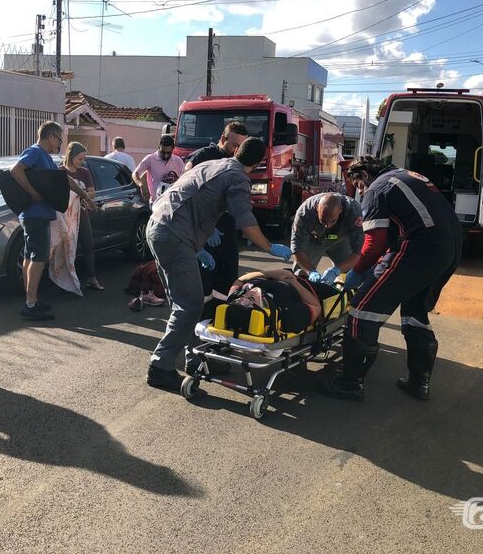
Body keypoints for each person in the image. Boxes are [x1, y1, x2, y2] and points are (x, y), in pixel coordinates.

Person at [145, 137, 293, 391]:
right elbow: (246, 222)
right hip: (175, 235)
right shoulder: (238, 177)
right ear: (258, 163)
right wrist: (270, 247)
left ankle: (196, 361)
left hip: (158, 226)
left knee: (184, 304)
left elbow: (186, 195)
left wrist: (198, 246)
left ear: (237, 150)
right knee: (190, 306)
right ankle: (160, 367)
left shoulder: (212, 165)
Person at [318, 155, 462, 402]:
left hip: (420, 248)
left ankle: (350, 383)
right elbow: (392, 235)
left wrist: (357, 273)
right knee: (414, 314)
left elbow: (374, 243)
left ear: (364, 175)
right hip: (451, 248)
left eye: (359, 186)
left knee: (362, 312)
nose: (362, 192)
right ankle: (419, 383)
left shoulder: (378, 188)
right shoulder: (406, 176)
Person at [10, 121, 95, 321]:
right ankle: (30, 304)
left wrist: (85, 196)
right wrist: (33, 193)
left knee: (31, 257)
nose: (59, 145)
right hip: (36, 214)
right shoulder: (36, 152)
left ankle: (31, 299)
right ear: (50, 136)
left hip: (36, 214)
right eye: (58, 139)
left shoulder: (45, 158)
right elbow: (16, 170)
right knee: (38, 258)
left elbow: (64, 179)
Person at [184, 121, 249, 296]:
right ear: (223, 138)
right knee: (204, 278)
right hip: (204, 226)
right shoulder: (203, 156)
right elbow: (187, 193)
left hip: (226, 224)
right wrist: (208, 228)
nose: (237, 150)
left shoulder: (236, 162)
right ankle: (201, 318)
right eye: (234, 145)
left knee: (228, 277)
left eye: (240, 147)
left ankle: (221, 315)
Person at [59, 142, 104, 291]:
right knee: (64, 247)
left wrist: (79, 193)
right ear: (71, 156)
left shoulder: (84, 172)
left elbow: (92, 192)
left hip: (82, 214)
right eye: (80, 158)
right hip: (63, 216)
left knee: (88, 245)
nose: (82, 162)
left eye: (84, 159)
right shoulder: (60, 171)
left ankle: (92, 278)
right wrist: (79, 193)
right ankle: (64, 278)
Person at [291, 192, 363, 284]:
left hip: (340, 240)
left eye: (332, 221)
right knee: (300, 274)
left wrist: (337, 270)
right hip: (313, 240)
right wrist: (310, 271)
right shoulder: (305, 212)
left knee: (350, 272)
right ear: (317, 208)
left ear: (340, 209)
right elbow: (297, 249)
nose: (327, 226)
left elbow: (357, 252)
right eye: (323, 221)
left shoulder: (353, 211)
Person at [132, 135, 185, 204]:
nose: (166, 155)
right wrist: (141, 185)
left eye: (168, 153)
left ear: (173, 149)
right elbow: (135, 174)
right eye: (163, 152)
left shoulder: (178, 161)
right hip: (155, 202)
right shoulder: (150, 159)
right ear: (159, 147)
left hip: (173, 202)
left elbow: (184, 179)